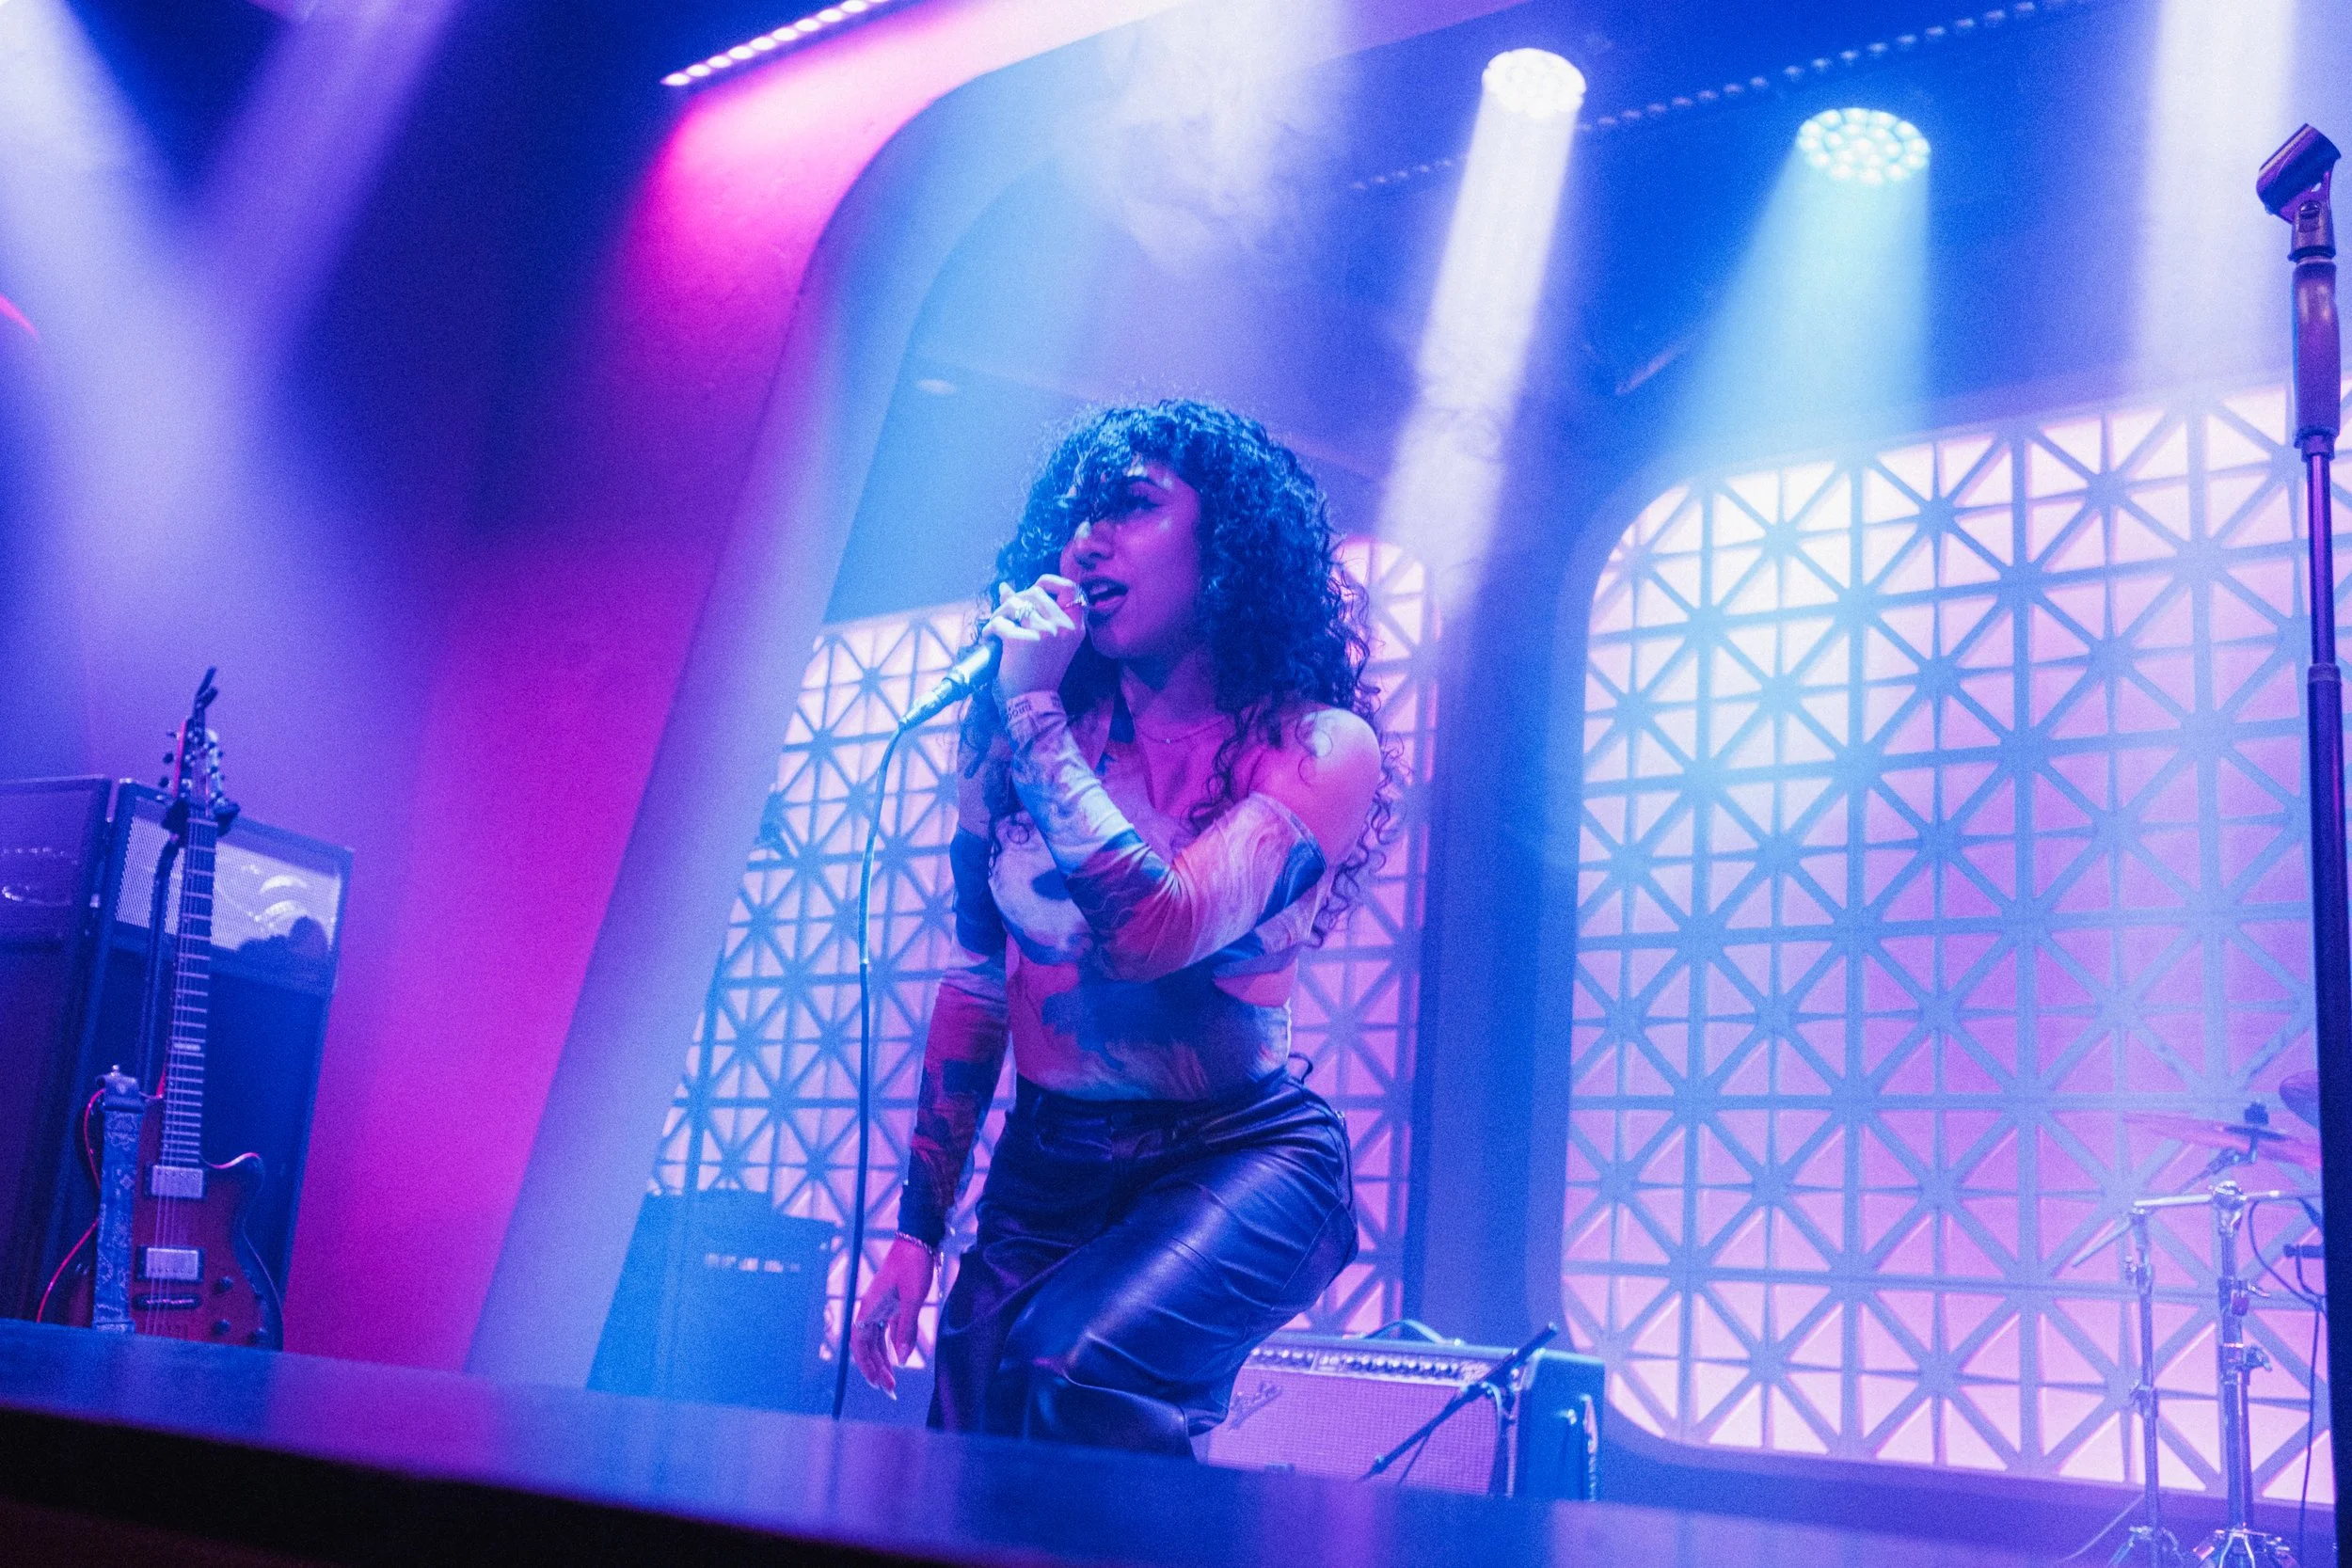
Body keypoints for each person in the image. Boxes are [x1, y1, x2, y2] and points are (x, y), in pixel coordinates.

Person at [849, 400, 1395, 1454]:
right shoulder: (1010, 742)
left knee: (1074, 1367)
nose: (1087, 536)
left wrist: (1032, 712)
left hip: (1236, 1150)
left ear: (1229, 548)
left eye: (1132, 506)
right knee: (975, 1441)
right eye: (1076, 513)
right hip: (1045, 1162)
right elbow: (977, 978)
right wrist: (917, 1229)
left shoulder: (1315, 747)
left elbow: (1156, 927)